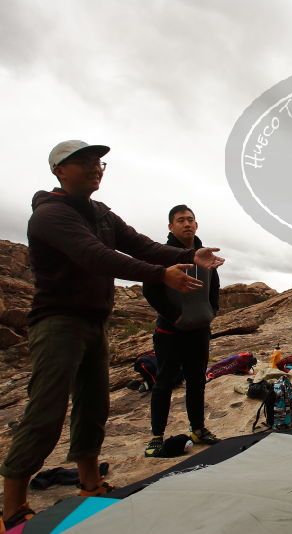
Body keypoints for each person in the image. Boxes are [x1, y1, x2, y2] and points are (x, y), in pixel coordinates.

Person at [0, 141, 225, 531]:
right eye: (84, 162)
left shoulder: (101, 213)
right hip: (58, 322)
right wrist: (160, 274)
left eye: (98, 161)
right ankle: (13, 506)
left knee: (94, 405)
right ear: (59, 171)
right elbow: (96, 256)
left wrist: (188, 258)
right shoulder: (51, 216)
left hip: (93, 322)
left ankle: (91, 484)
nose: (96, 167)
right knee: (47, 411)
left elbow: (142, 245)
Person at [142, 205, 221, 457]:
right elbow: (150, 291)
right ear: (170, 226)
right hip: (170, 332)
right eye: (180, 220)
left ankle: (198, 429)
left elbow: (214, 286)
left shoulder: (204, 254)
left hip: (199, 330)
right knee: (164, 383)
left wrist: (211, 312)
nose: (187, 224)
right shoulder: (161, 254)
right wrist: (175, 317)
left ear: (196, 225)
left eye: (190, 220)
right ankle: (157, 436)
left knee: (197, 381)